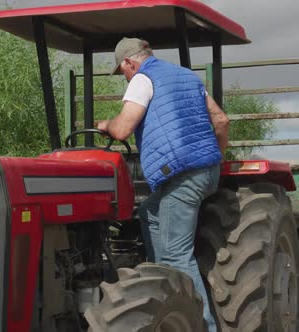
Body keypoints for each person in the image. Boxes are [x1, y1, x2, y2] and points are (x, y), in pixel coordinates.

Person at [97, 37, 229, 332]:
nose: (125, 79)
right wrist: (215, 157)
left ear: (130, 62)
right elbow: (221, 120)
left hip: (183, 178)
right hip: (206, 172)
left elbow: (123, 129)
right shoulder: (186, 76)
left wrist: (105, 125)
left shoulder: (143, 78)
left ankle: (200, 325)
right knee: (149, 211)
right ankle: (158, 290)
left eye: (123, 72)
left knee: (175, 255)